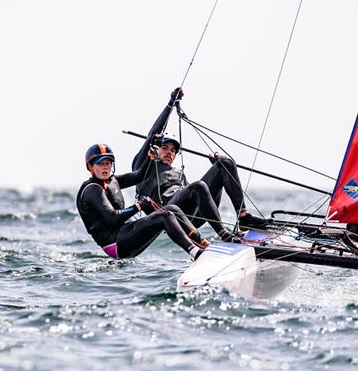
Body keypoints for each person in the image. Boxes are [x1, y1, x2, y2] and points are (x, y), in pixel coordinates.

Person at [131, 87, 268, 235]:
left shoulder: (177, 173)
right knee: (198, 186)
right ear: (156, 148)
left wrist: (217, 172)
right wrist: (171, 103)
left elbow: (198, 194)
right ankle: (224, 234)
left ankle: (243, 217)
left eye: (173, 150)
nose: (169, 152)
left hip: (194, 215)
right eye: (165, 147)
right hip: (169, 214)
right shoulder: (142, 167)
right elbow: (152, 134)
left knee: (225, 164)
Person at [77, 143, 209, 260]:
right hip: (116, 244)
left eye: (108, 163)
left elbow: (140, 175)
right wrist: (138, 206)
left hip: (125, 233)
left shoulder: (112, 180)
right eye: (100, 164)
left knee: (171, 209)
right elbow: (112, 217)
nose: (105, 167)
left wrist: (150, 156)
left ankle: (204, 245)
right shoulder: (92, 189)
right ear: (90, 166)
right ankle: (197, 253)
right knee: (164, 216)